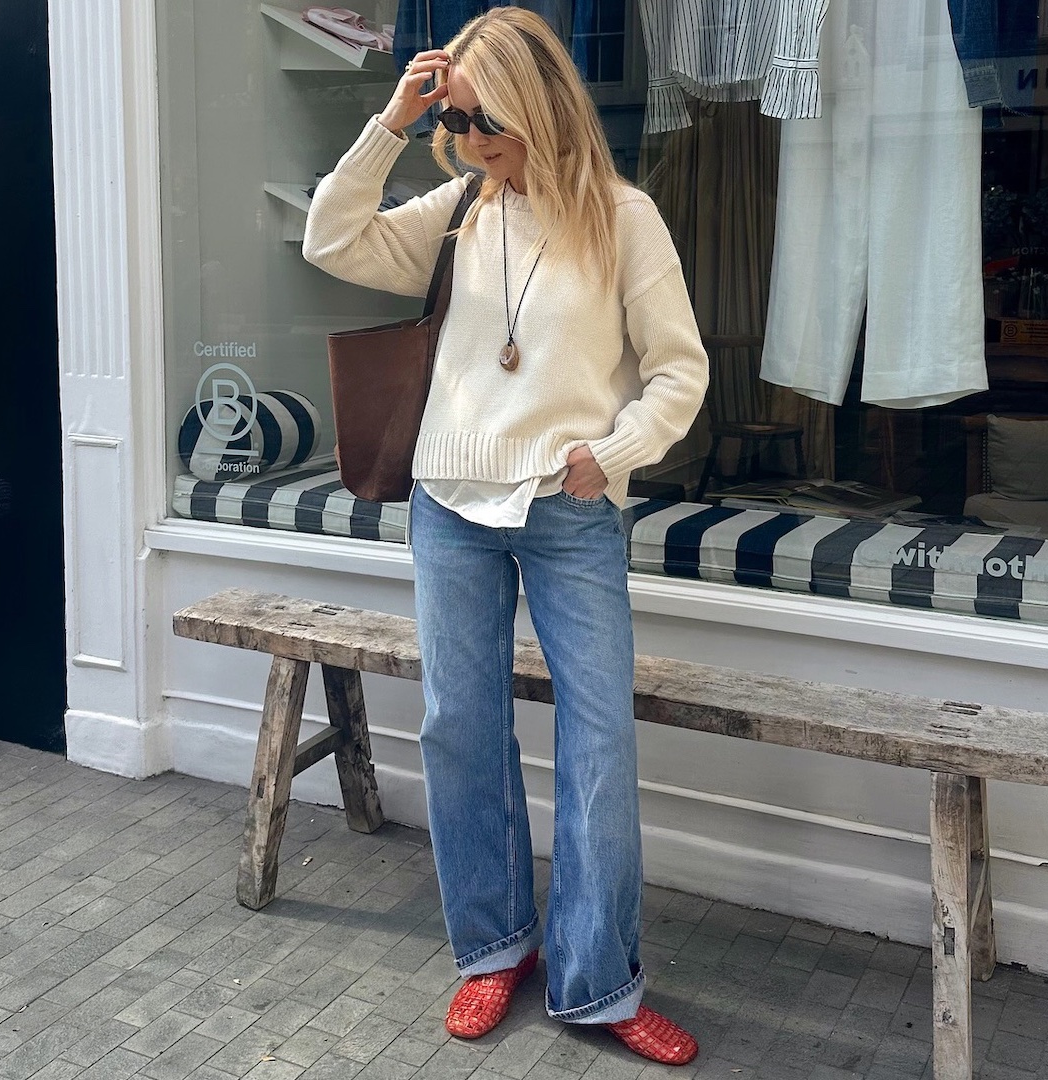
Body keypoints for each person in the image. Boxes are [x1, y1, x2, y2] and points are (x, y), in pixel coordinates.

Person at [301, 7, 708, 1066]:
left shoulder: (626, 220)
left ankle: (598, 984)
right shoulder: (455, 215)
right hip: (449, 508)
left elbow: (680, 371)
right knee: (460, 729)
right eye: (463, 121)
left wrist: (610, 457)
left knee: (599, 746)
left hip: (570, 514)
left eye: (492, 121)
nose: (476, 140)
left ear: (542, 106)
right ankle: (492, 950)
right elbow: (331, 236)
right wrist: (392, 121)